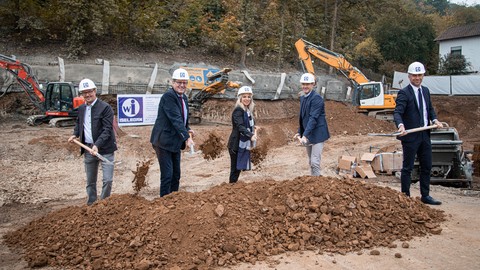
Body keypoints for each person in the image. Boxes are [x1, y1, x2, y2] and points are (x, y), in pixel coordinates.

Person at [393, 61, 443, 205]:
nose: (417, 78)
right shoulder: (404, 93)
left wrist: (435, 120)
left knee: (426, 166)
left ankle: (425, 195)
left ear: (423, 76)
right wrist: (401, 126)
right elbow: (398, 112)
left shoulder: (425, 91)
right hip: (410, 136)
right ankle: (405, 197)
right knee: (408, 167)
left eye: (419, 75)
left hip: (425, 135)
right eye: (414, 75)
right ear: (409, 76)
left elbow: (430, 110)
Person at [68, 78, 117, 206]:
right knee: (90, 181)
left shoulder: (105, 108)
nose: (87, 95)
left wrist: (97, 145)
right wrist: (75, 134)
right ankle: (91, 204)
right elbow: (79, 123)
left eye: (90, 91)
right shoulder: (82, 108)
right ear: (81, 94)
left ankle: (104, 203)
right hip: (88, 150)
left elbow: (107, 130)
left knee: (107, 180)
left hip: (105, 149)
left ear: (95, 91)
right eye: (84, 93)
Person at [150, 68, 195, 197]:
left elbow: (182, 119)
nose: (182, 85)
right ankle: (164, 202)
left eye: (184, 83)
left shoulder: (184, 98)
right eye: (178, 82)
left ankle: (174, 201)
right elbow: (175, 118)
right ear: (172, 82)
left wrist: (187, 129)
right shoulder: (168, 97)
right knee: (167, 175)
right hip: (163, 141)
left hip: (174, 141)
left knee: (176, 174)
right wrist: (187, 137)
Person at [295, 73, 330, 176]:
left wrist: (304, 135)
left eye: (308, 84)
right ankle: (313, 181)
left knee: (315, 162)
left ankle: (317, 182)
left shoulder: (317, 99)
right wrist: (299, 132)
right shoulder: (303, 97)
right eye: (303, 84)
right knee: (311, 161)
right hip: (308, 132)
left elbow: (313, 118)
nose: (305, 86)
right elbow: (303, 117)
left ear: (313, 84)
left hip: (318, 133)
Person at [227, 86, 257, 183]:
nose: (247, 99)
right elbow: (240, 126)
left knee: (238, 168)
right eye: (244, 96)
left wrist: (254, 129)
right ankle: (231, 188)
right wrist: (250, 135)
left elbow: (248, 125)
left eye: (249, 97)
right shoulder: (238, 110)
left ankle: (233, 187)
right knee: (235, 169)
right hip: (235, 144)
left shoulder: (247, 111)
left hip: (241, 144)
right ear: (240, 98)